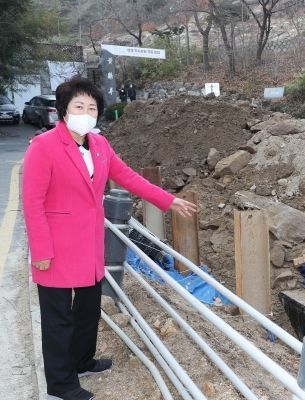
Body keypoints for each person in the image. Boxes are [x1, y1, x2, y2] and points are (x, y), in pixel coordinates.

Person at [22, 76, 198, 400]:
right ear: (64, 110)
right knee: (58, 319)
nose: (86, 112)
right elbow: (32, 204)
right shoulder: (44, 147)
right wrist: (40, 251)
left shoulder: (99, 145)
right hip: (56, 247)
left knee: (88, 308)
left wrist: (167, 200)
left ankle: (82, 360)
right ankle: (61, 384)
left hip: (89, 245)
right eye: (79, 106)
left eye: (92, 107)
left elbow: (127, 176)